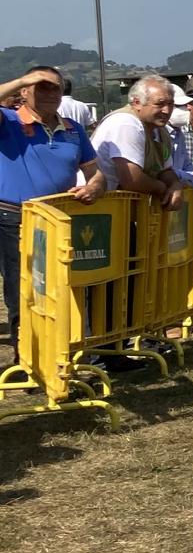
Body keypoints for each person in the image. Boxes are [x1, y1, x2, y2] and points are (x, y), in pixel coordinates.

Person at [0, 66, 107, 360]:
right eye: (41, 87)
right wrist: (23, 79)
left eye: (55, 88)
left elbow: (95, 173)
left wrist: (96, 187)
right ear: (23, 92)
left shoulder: (73, 129)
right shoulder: (8, 120)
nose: (49, 93)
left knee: (63, 289)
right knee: (24, 292)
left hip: (61, 218)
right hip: (16, 219)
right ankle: (30, 360)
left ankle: (64, 354)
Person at [93, 76, 193, 202]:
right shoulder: (126, 123)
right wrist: (162, 189)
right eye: (159, 104)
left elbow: (165, 171)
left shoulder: (160, 130)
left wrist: (175, 185)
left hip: (122, 210)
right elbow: (132, 180)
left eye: (170, 104)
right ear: (137, 103)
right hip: (100, 208)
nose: (166, 111)